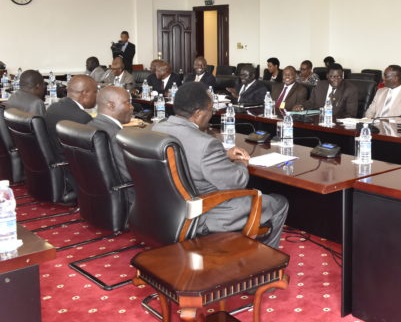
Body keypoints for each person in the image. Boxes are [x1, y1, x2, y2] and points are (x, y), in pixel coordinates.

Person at [152, 82, 288, 248]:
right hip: (205, 213)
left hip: (168, 210)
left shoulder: (157, 128)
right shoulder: (205, 143)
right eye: (211, 109)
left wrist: (224, 154)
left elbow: (188, 153)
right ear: (197, 113)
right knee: (279, 202)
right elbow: (236, 182)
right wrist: (241, 162)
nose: (213, 113)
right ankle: (266, 259)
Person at [89, 86, 135, 206]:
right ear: (111, 105)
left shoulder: (89, 126)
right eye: (127, 102)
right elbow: (128, 175)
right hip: (126, 199)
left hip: (97, 197)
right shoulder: (115, 136)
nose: (132, 107)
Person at [45, 75, 98, 162]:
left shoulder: (52, 108)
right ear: (85, 93)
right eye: (95, 92)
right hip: (72, 166)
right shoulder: (83, 118)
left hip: (54, 162)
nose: (97, 96)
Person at [294, 63, 359, 118]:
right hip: (317, 120)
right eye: (332, 77)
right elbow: (311, 103)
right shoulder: (320, 85)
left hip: (336, 124)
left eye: (339, 76)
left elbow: (351, 114)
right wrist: (301, 106)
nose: (336, 80)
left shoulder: (350, 90)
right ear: (327, 76)